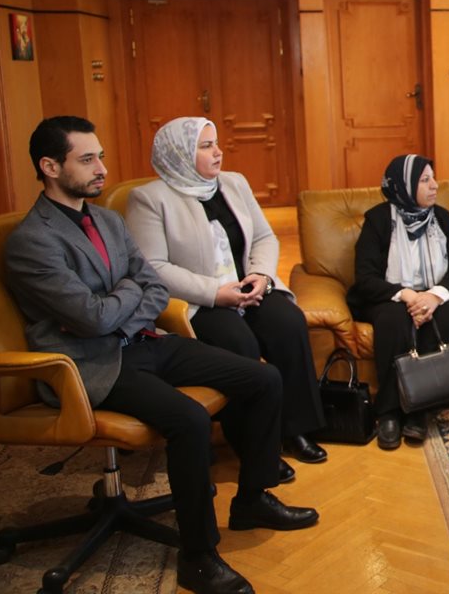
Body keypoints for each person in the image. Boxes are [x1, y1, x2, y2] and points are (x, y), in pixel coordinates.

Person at [4, 116, 318, 594]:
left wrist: (121, 302)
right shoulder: (31, 241)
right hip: (89, 365)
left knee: (262, 378)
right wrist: (124, 298)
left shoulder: (107, 219)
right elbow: (92, 319)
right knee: (189, 418)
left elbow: (150, 285)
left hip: (143, 340)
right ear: (49, 167)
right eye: (87, 159)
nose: (102, 168)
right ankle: (198, 557)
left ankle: (252, 499)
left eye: (100, 156)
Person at [126, 117, 327, 469]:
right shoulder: (150, 199)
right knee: (238, 343)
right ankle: (254, 447)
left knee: (288, 323)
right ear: (179, 154)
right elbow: (154, 267)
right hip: (199, 300)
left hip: (249, 286)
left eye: (216, 143)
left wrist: (261, 275)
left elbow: (264, 237)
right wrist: (215, 293)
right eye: (206, 146)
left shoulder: (234, 183)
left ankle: (295, 428)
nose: (218, 152)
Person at [346, 155, 449, 450]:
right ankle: (389, 411)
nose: (435, 185)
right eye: (425, 180)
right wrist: (408, 295)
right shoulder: (378, 220)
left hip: (434, 293)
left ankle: (420, 409)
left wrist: (434, 296)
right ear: (404, 185)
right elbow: (366, 277)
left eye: (433, 178)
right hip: (390, 294)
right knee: (394, 320)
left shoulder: (442, 218)